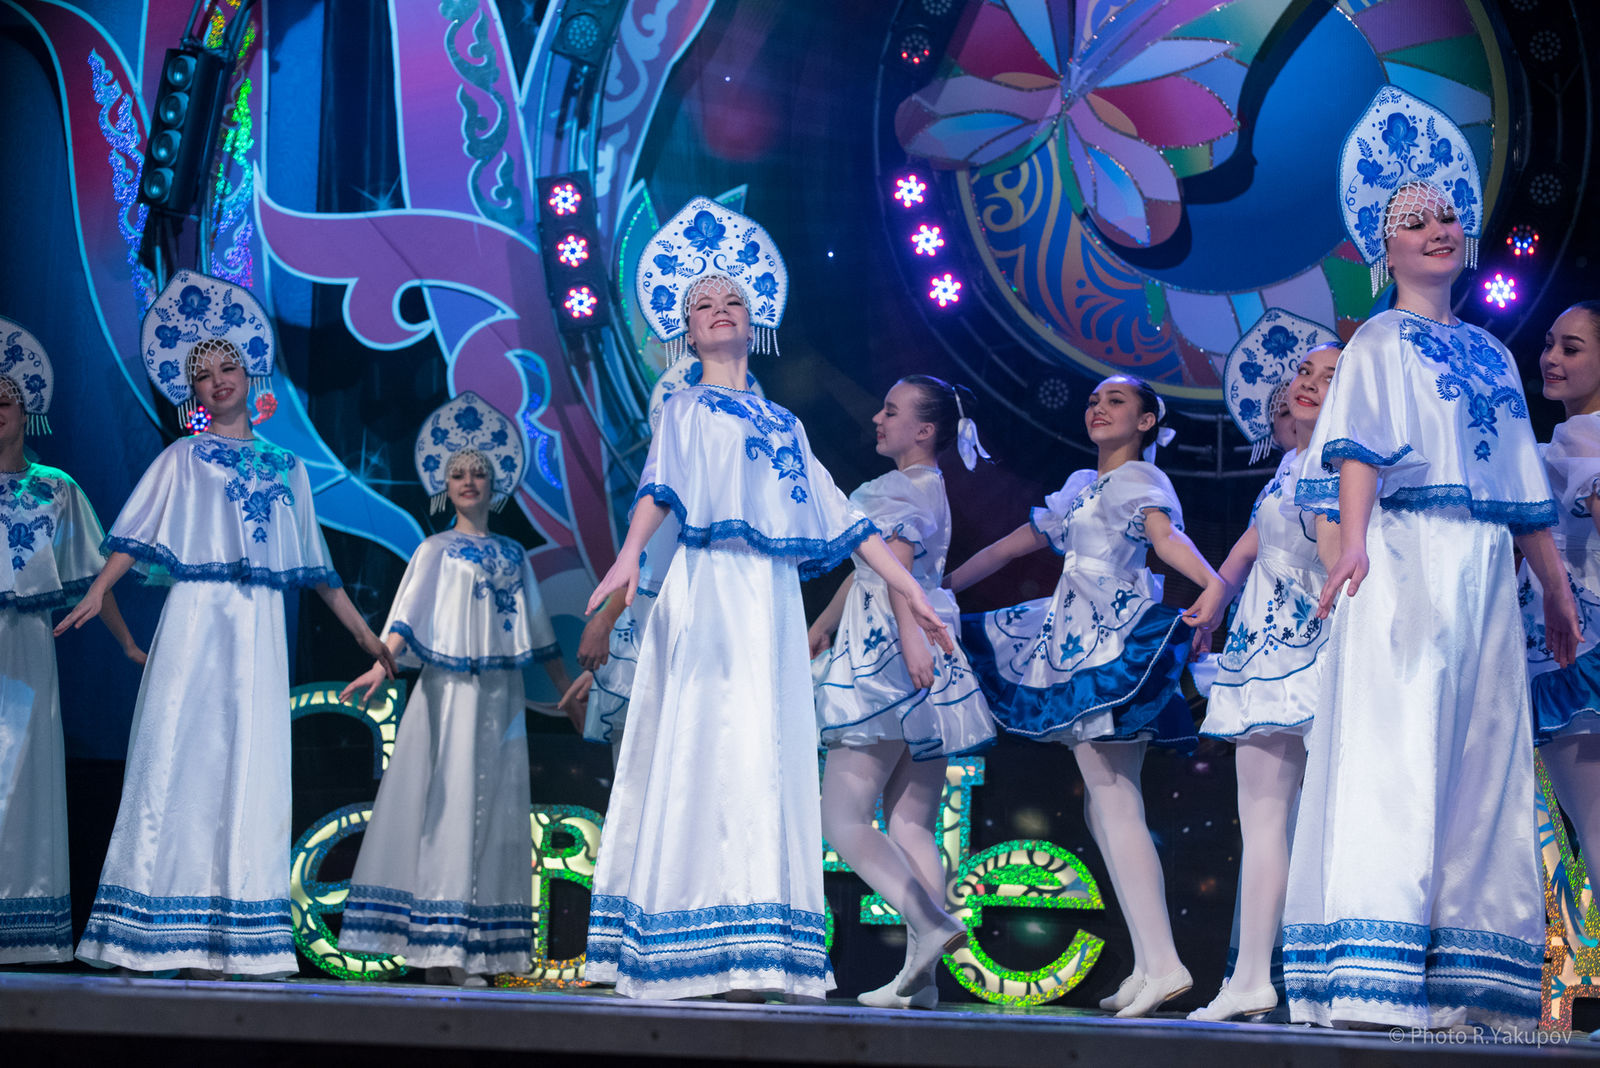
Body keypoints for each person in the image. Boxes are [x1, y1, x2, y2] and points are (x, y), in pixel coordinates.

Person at [582, 197, 953, 1001]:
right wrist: (627, 558)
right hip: (708, 589)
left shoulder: (784, 422)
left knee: (761, 748)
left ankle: (753, 946)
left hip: (768, 600)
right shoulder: (683, 407)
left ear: (756, 323)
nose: (719, 309)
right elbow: (660, 487)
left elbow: (846, 520)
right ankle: (685, 930)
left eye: (732, 300)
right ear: (687, 332)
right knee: (698, 741)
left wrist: (911, 592)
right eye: (702, 304)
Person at [1282, 87, 1578, 1031]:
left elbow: (1523, 486)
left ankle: (1463, 983)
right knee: (1399, 748)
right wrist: (1353, 544)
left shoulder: (1492, 354)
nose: (1439, 230)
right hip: (1406, 558)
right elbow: (1359, 450)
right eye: (1415, 223)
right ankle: (1377, 974)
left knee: (1483, 758)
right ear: (1387, 250)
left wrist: (1557, 591)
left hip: (1484, 572)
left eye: (1448, 215)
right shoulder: (1377, 338)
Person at [60, 270, 395, 977]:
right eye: (202, 375)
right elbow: (135, 533)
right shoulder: (183, 457)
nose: (216, 382)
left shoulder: (287, 467)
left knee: (249, 765)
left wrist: (365, 635)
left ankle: (228, 935)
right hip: (198, 619)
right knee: (181, 755)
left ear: (250, 374)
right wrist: (99, 590)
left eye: (226, 368)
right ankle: (156, 929)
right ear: (193, 391)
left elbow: (317, 566)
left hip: (258, 630)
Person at [950, 374, 1228, 1018]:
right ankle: (1149, 962)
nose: (1099, 408)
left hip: (1109, 635)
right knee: (1105, 808)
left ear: (1147, 422)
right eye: (1094, 400)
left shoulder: (1140, 479)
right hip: (1073, 634)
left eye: (1117, 401)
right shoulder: (1082, 486)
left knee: (1113, 797)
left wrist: (1213, 585)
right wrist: (937, 589)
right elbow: (1011, 545)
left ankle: (1165, 964)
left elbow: (1166, 540)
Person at [337, 391, 571, 985]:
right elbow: (405, 618)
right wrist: (380, 665)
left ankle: (477, 949)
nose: (469, 481)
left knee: (496, 809)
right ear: (445, 486)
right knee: (446, 803)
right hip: (448, 694)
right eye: (459, 474)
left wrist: (568, 691)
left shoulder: (513, 554)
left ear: (496, 484)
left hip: (500, 697)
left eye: (479, 473)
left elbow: (538, 633)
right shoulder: (435, 549)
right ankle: (439, 947)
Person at [807, 375, 997, 1008]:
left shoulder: (895, 489)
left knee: (843, 818)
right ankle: (924, 982)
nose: (878, 419)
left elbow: (898, 572)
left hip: (887, 656)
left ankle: (930, 923)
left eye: (891, 411)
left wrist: (910, 642)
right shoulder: (929, 486)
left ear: (924, 430)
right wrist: (824, 622)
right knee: (913, 824)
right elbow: (877, 565)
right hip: (923, 654)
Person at [1186, 312, 1343, 1021]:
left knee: (1285, 820)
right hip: (1267, 651)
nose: (1309, 382)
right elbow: (1251, 543)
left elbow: (1340, 562)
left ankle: (1276, 976)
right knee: (1268, 821)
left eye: (1330, 377)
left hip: (1301, 656)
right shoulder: (1290, 466)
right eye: (1305, 371)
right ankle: (1262, 975)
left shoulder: (1331, 468)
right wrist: (1214, 600)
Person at [0, 317, 144, 964]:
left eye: (4, 399)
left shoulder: (55, 489)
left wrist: (128, 645)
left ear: (26, 409)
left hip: (28, 649)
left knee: (22, 778)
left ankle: (21, 927)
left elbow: (95, 576)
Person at [1518, 300, 1600, 925]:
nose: (1550, 358)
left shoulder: (1582, 441)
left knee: (1591, 827)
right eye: (1549, 343)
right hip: (1568, 649)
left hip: (1577, 652)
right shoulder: (1565, 441)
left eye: (1571, 348)